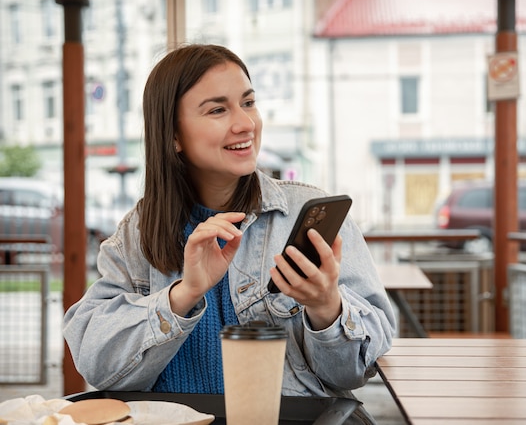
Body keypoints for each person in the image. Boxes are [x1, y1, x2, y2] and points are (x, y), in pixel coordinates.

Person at [63, 44, 396, 424]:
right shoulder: (136, 236)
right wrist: (183, 294)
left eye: (248, 103)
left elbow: (356, 371)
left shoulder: (306, 215)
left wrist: (326, 308)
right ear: (173, 135)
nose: (245, 123)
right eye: (218, 109)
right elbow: (97, 365)